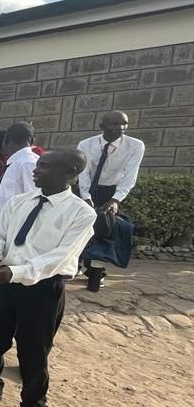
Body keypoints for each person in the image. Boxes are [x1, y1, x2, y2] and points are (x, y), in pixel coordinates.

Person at [0, 149, 96, 407]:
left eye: (44, 166)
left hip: (42, 287)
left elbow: (59, 256)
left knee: (33, 348)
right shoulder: (19, 202)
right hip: (4, 281)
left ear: (69, 173)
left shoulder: (81, 213)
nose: (36, 170)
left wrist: (15, 272)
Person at [77, 110, 145, 290]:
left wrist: (116, 199)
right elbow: (84, 172)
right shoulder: (86, 144)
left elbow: (130, 175)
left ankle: (96, 272)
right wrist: (86, 197)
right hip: (89, 188)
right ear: (102, 126)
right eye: (115, 123)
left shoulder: (135, 145)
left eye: (124, 124)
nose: (120, 128)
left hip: (112, 191)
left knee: (105, 230)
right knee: (79, 227)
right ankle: (75, 263)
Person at [0, 122, 39, 223]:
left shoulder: (27, 163)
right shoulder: (17, 162)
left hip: (15, 228)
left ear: (6, 139)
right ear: (32, 141)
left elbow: (34, 201)